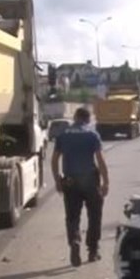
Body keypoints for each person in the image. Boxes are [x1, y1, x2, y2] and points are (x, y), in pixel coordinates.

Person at [51, 107, 110, 266]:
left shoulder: (63, 135)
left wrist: (57, 180)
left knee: (72, 216)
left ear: (75, 117)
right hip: (90, 180)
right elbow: (100, 160)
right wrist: (106, 182)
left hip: (70, 181)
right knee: (95, 215)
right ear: (88, 119)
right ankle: (93, 251)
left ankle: (75, 241)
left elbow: (55, 159)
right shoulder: (92, 135)